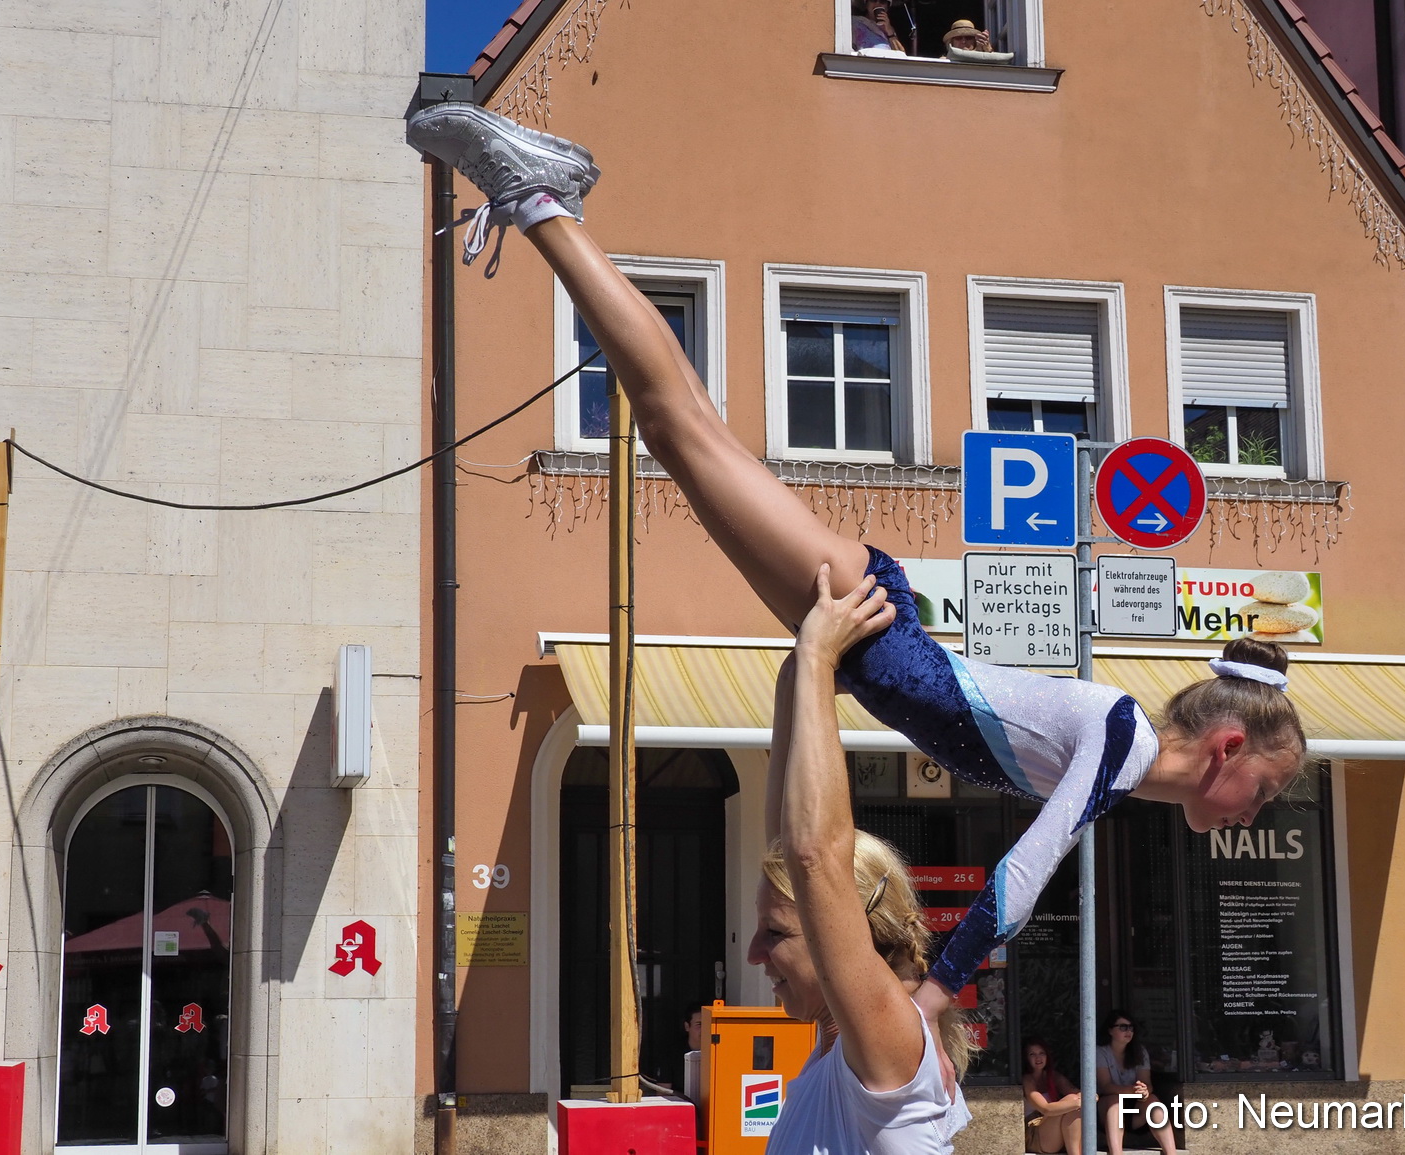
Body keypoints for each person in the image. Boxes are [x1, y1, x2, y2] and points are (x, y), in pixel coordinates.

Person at [403, 102, 1308, 1030]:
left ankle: (548, 198)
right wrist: (924, 997)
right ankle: (542, 196)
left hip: (870, 633)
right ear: (1227, 749)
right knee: (678, 425)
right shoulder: (1120, 742)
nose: (1254, 812)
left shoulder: (1121, 761)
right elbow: (1021, 879)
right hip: (872, 623)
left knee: (687, 431)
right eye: (1266, 791)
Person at [750, 566, 972, 1153]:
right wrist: (798, 674)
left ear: (841, 929)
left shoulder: (889, 1044)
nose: (753, 953)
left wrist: (820, 662)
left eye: (774, 932)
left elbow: (814, 854)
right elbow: (789, 842)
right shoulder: (837, 1051)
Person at [1096, 1011, 1175, 1155]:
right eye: (1123, 1027)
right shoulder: (1100, 1052)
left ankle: (1171, 1152)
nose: (1128, 1031)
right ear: (1110, 1030)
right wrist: (1132, 1090)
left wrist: (1145, 1091)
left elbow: (1147, 1083)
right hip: (1107, 1111)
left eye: (1131, 1028)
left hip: (1135, 1112)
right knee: (1114, 1101)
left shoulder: (1139, 1051)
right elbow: (1105, 1086)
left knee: (1153, 1101)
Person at [1022, 1037, 1083, 1155]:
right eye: (1032, 1054)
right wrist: (1078, 1102)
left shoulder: (1053, 1076)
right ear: (1026, 1058)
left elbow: (1077, 1092)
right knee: (1073, 1101)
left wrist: (1087, 1097)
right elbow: (1046, 1109)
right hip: (1035, 1135)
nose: (1038, 1058)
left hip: (1054, 1135)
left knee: (1074, 1100)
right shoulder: (1027, 1080)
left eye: (1041, 1053)